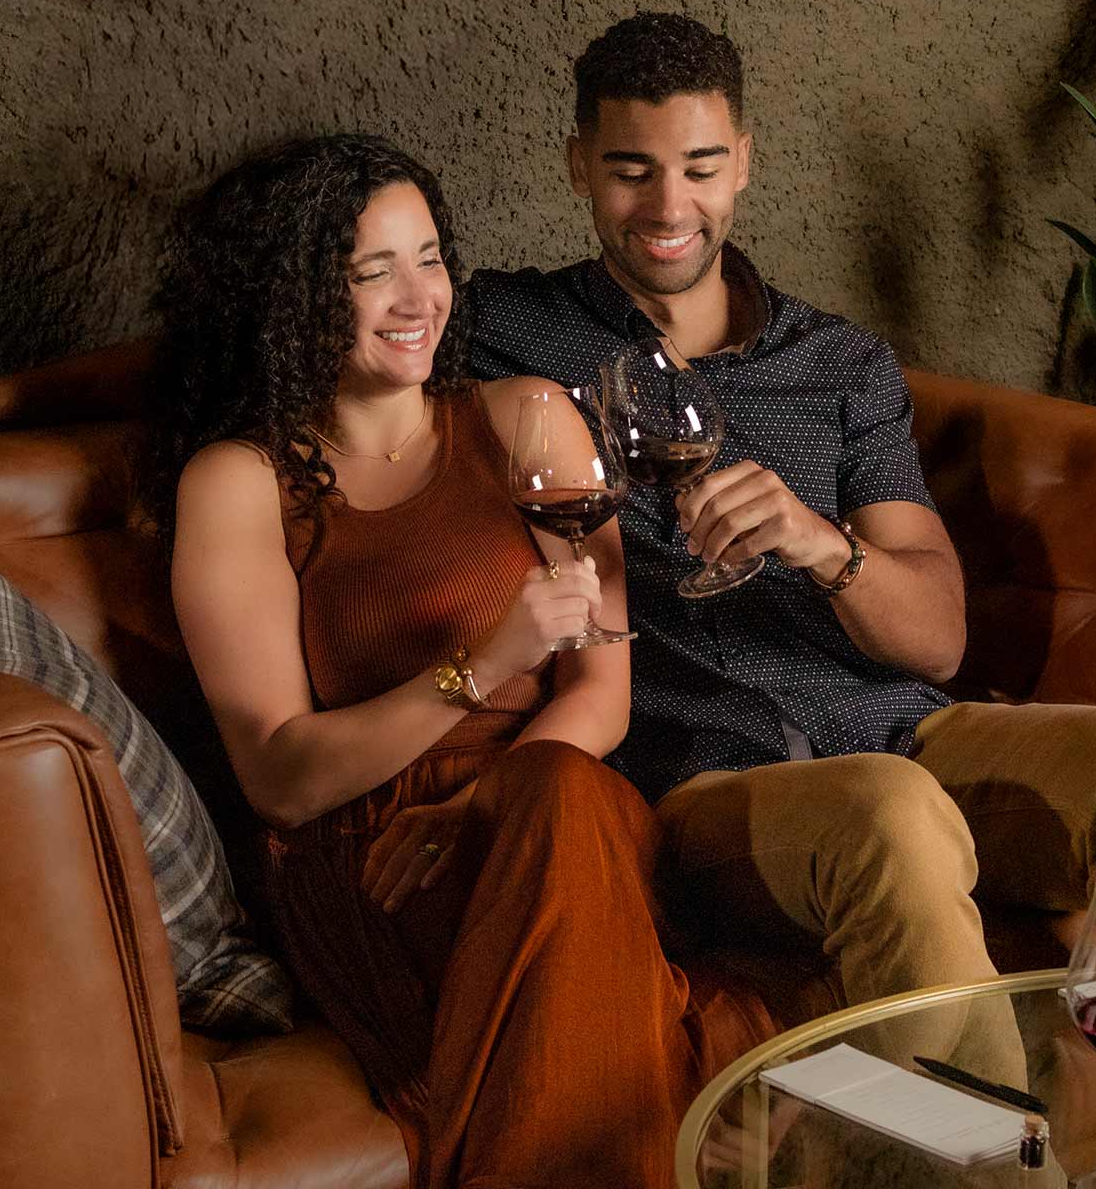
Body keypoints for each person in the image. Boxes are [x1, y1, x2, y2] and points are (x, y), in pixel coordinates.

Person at [0, 14, 1096, 1029]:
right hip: (693, 773)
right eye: (629, 168)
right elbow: (285, 324)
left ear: (743, 163)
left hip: (895, 717)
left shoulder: (843, 366)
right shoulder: (503, 331)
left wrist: (826, 547)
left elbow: (933, 628)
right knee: (891, 823)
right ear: (579, 169)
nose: (665, 204)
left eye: (696, 167)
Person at [137, 132, 772, 1188]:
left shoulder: (524, 417)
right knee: (625, 929)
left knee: (567, 800)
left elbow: (601, 692)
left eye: (428, 257)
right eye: (369, 270)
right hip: (381, 844)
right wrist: (478, 669)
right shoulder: (240, 480)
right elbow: (279, 774)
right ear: (293, 295)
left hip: (547, 794)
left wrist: (490, 804)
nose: (415, 296)